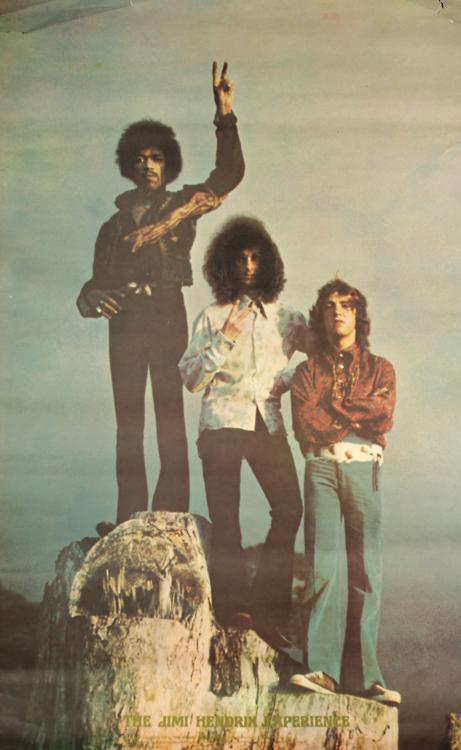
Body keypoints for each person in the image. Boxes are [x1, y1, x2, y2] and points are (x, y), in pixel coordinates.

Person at [76, 63, 245, 532]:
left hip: (167, 313)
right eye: (140, 158)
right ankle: (128, 522)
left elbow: (230, 172)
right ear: (129, 165)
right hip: (124, 323)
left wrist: (225, 113)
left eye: (156, 158)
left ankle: (169, 517)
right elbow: (93, 284)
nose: (148, 165)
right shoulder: (111, 226)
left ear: (168, 164)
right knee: (128, 425)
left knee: (169, 416)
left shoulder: (181, 205)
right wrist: (93, 297)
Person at [179, 216, 305, 648]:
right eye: (240, 258)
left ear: (268, 262)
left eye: (256, 258)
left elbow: (322, 353)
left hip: (267, 424)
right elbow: (191, 379)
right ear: (225, 264)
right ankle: (233, 607)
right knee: (227, 520)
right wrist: (225, 338)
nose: (249, 266)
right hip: (221, 425)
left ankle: (270, 610)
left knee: (290, 509)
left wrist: (293, 376)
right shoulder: (212, 316)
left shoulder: (287, 317)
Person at [289, 278, 400, 704]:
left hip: (363, 467)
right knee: (323, 566)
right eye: (330, 306)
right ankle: (321, 669)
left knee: (366, 570)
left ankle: (366, 678)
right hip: (320, 466)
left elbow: (382, 414)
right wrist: (353, 415)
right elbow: (305, 425)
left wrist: (332, 407)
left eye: (347, 305)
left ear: (359, 315)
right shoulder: (306, 372)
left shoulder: (381, 368)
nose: (338, 312)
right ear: (320, 316)